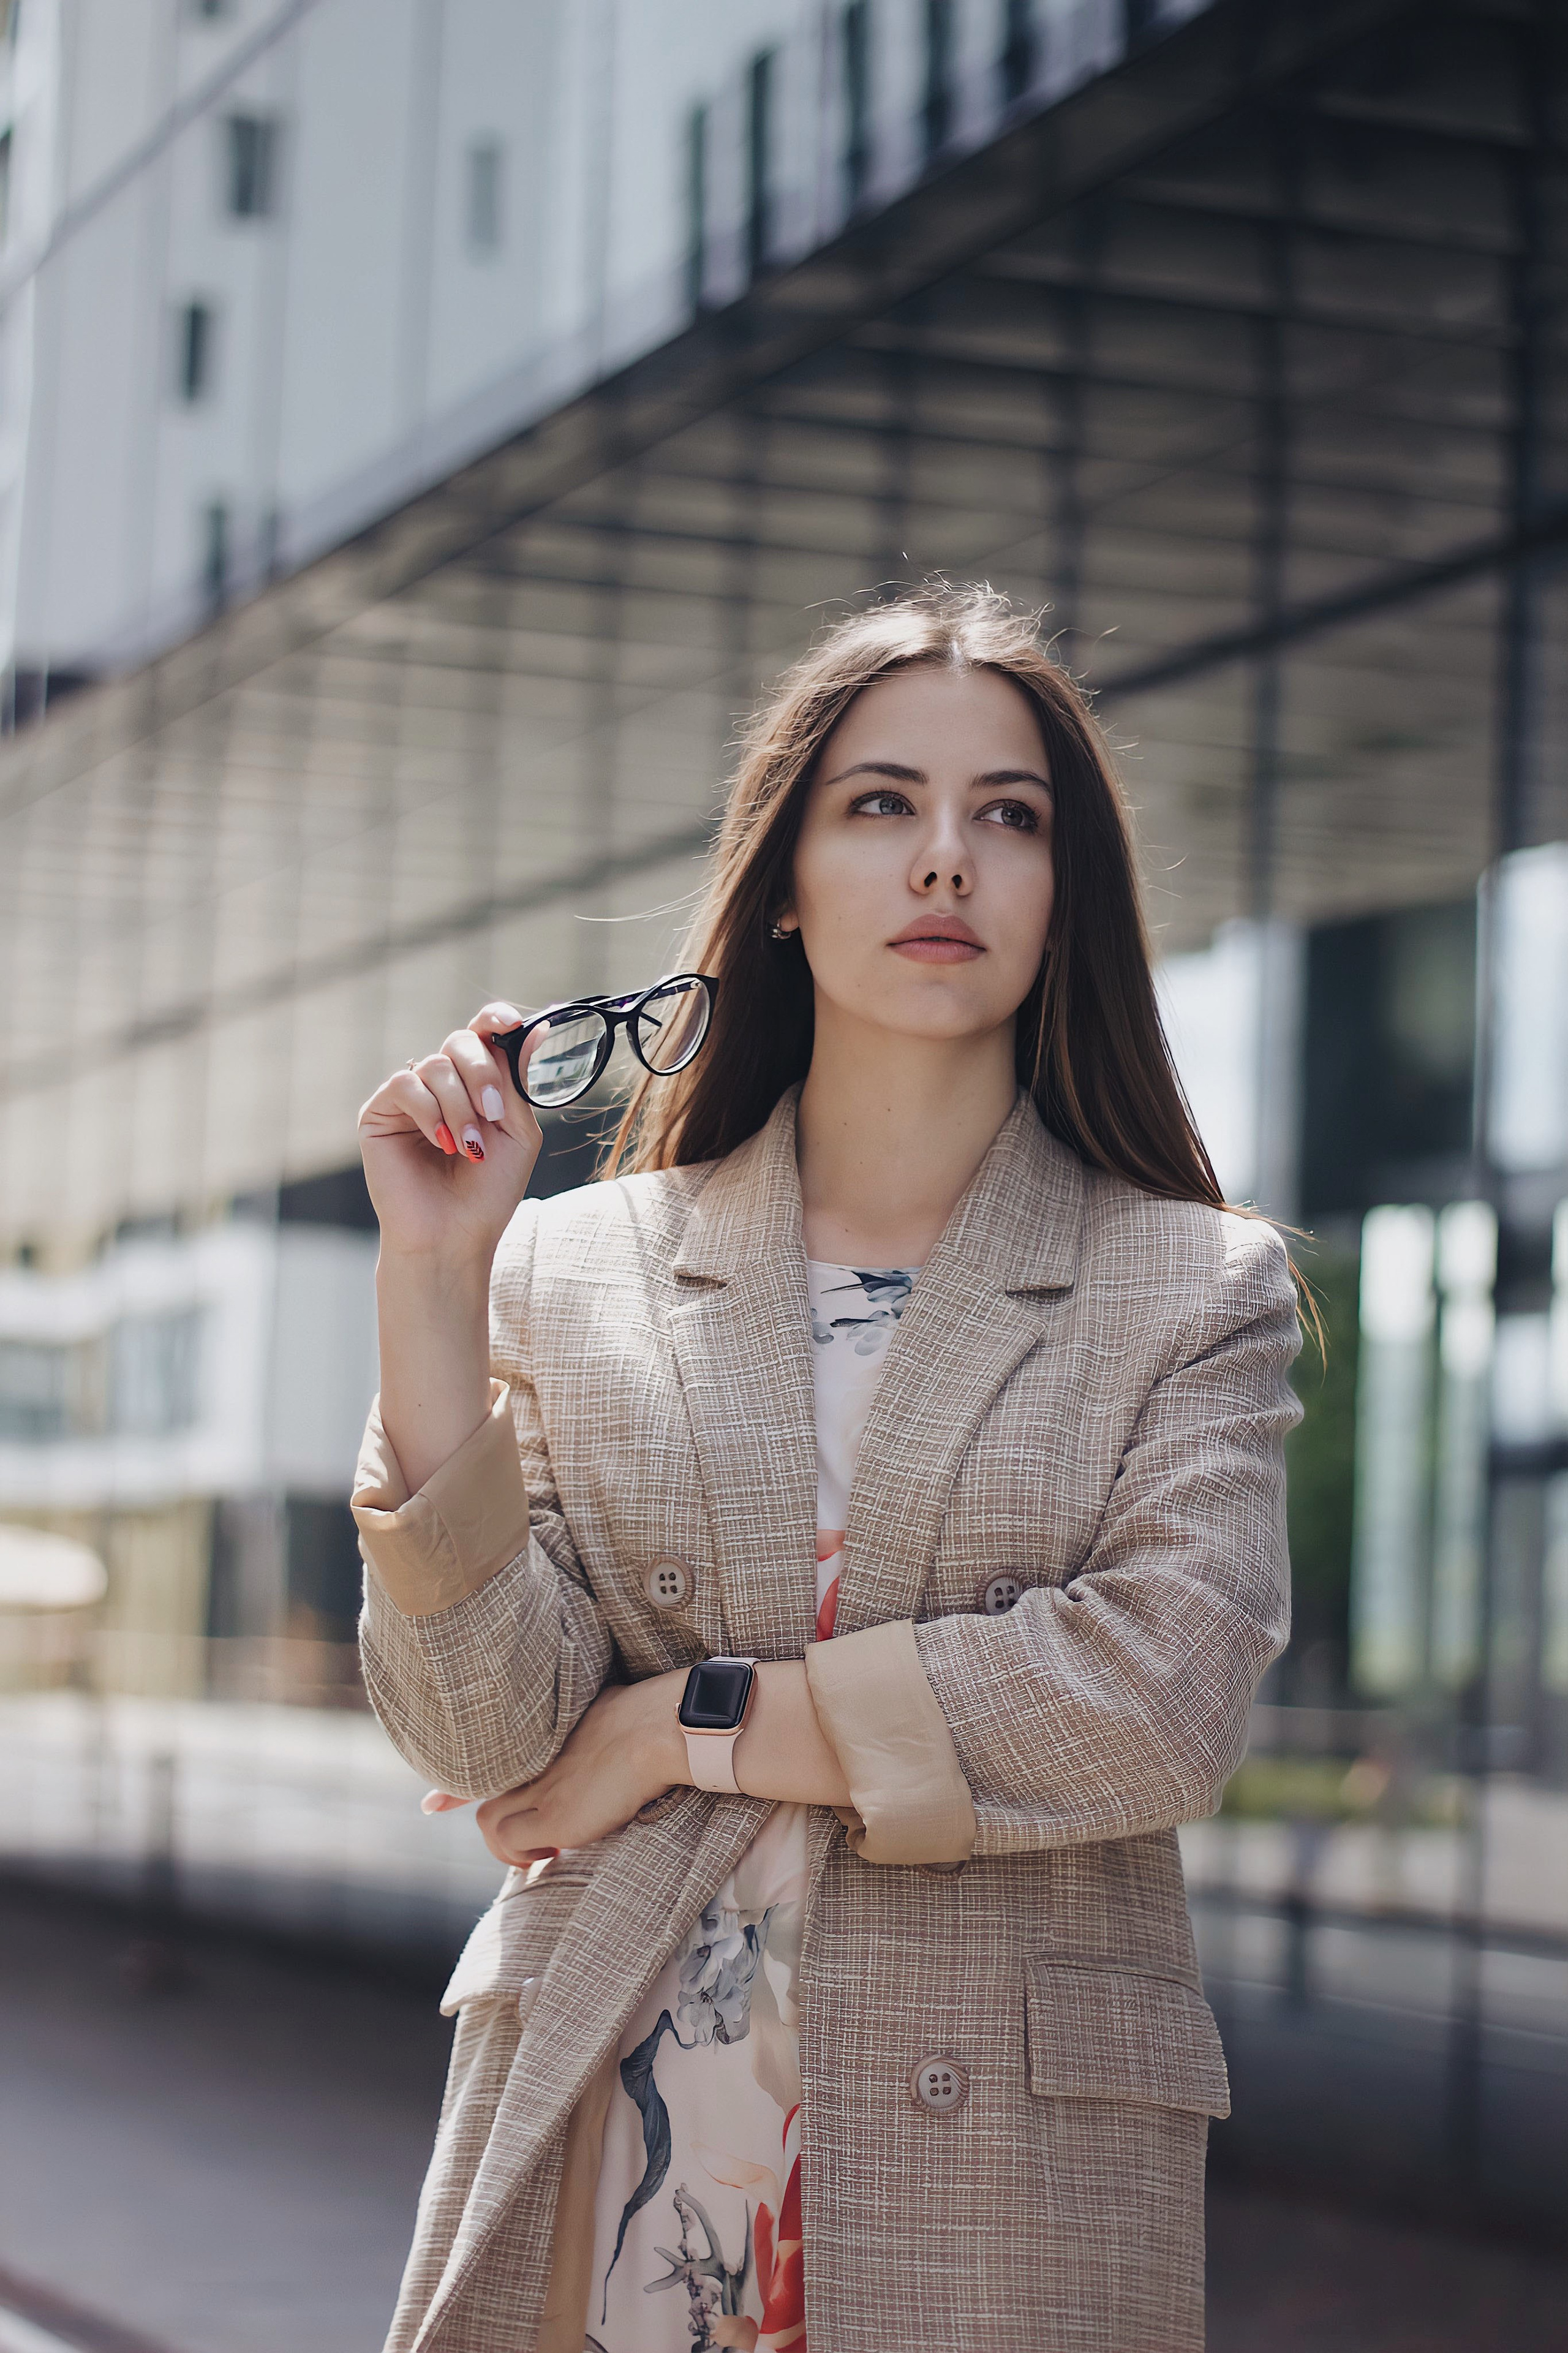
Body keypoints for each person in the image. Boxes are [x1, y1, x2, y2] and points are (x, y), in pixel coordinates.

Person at [352, 584, 1302, 2353]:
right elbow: (478, 1735)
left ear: (1063, 891)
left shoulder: (1192, 1284)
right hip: (619, 2153)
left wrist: (675, 1725)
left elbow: (1158, 1696)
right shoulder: (570, 1270)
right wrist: (431, 1282)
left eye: (1007, 816)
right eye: (881, 804)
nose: (946, 857)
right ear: (784, 877)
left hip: (998, 2196)